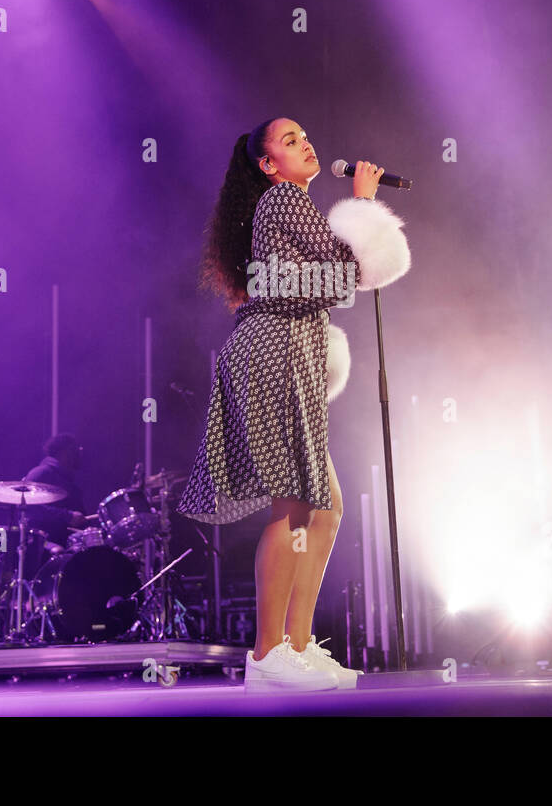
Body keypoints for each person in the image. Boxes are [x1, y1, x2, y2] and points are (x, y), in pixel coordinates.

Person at [176, 118, 411, 692]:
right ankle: (266, 654)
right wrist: (361, 203)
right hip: (272, 359)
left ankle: (298, 647)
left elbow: (336, 277)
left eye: (304, 135)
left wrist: (356, 227)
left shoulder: (289, 207)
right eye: (289, 141)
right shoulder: (283, 199)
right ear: (268, 166)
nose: (305, 143)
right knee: (295, 509)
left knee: (325, 508)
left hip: (292, 361)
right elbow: (339, 280)